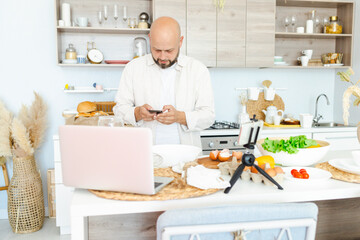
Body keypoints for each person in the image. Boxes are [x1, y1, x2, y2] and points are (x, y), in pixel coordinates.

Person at [113, 16, 215, 148]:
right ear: (150, 39)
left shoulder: (197, 70)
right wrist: (138, 113)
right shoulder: (133, 68)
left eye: (169, 51)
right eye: (157, 50)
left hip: (186, 156)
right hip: (145, 153)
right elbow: (119, 109)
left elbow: (208, 116)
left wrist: (180, 117)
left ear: (180, 42)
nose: (162, 57)